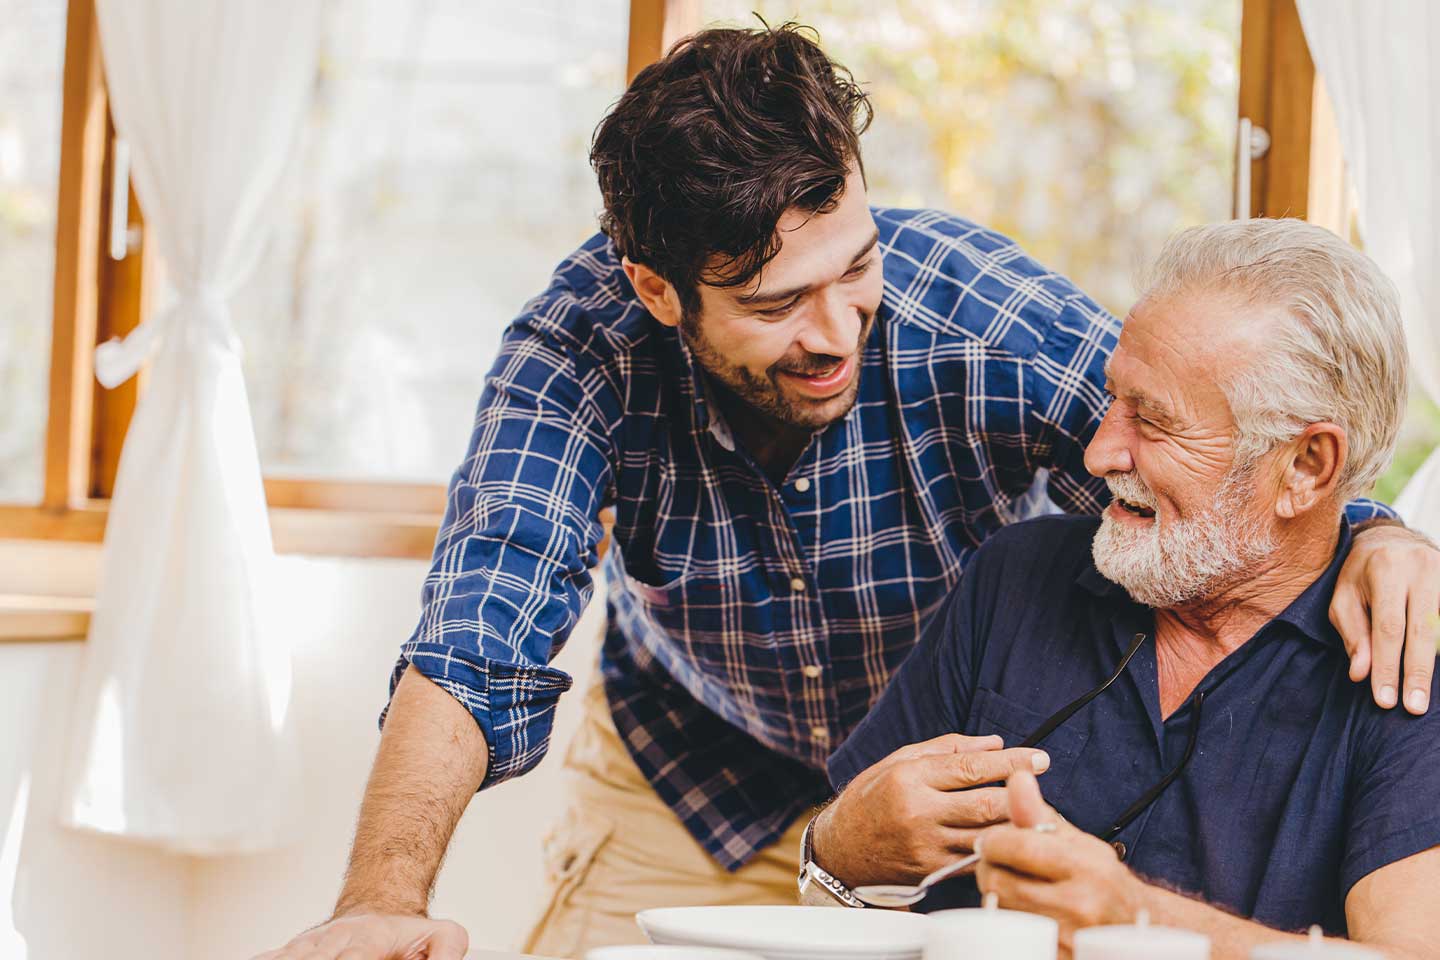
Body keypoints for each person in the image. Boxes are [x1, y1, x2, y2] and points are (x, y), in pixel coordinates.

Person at [255, 24, 1440, 960]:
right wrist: (377, 903)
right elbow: (475, 635)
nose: (836, 332)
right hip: (693, 771)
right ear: (659, 292)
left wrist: (1373, 528)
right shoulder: (579, 356)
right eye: (775, 307)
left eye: (855, 266)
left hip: (945, 773)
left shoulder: (970, 310)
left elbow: (1216, 454)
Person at [815, 219, 1440, 958]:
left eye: (1154, 421)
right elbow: (843, 880)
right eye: (1114, 400)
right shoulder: (1017, 573)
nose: (1100, 450)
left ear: (1306, 465)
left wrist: (1134, 920)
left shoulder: (1406, 660)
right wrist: (833, 847)